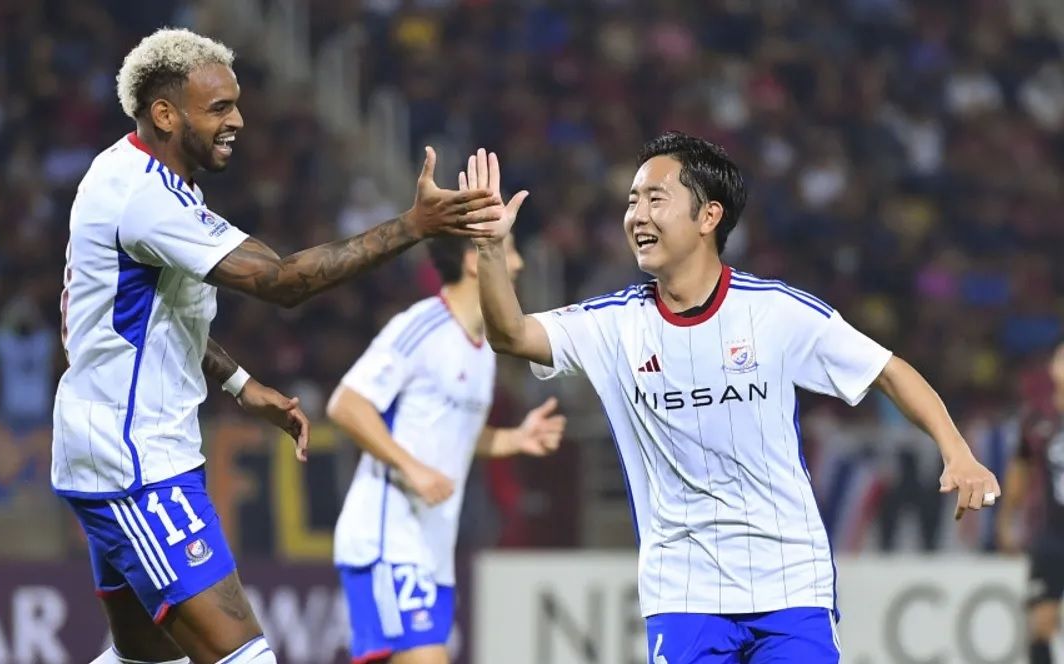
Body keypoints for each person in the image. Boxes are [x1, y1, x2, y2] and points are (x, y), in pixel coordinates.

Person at [53, 28, 501, 664]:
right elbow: (283, 281)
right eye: (219, 108)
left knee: (147, 660)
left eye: (236, 105)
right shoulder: (146, 197)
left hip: (116, 448)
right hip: (135, 465)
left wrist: (239, 383)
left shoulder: (125, 173)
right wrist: (414, 225)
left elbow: (152, 318)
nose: (237, 121)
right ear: (165, 114)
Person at [467, 134, 1002, 663]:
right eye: (632, 201)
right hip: (683, 593)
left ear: (709, 216)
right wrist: (489, 248)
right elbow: (511, 335)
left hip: (790, 583)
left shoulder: (775, 312)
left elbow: (888, 371)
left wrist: (957, 451)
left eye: (656, 199)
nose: (638, 216)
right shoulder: (612, 324)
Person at [327, 233, 566, 664]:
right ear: (475, 260)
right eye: (509, 251)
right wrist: (413, 468)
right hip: (387, 538)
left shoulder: (484, 348)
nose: (517, 264)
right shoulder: (422, 327)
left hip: (433, 549)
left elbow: (456, 433)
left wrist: (516, 438)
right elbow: (347, 404)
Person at [997, 341, 1064, 664]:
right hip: (1050, 535)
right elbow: (1019, 469)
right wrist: (1006, 520)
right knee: (1040, 625)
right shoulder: (1037, 418)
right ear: (1052, 367)